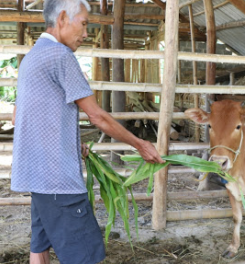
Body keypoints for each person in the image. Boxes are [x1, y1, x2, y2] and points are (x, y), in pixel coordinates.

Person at [10, 0, 165, 263]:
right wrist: (140, 144)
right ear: (62, 19)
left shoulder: (33, 56)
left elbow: (19, 117)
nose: (85, 34)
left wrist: (69, 143)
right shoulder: (60, 56)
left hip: (37, 177)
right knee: (86, 256)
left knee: (39, 247)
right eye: (83, 25)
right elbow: (97, 116)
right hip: (58, 180)